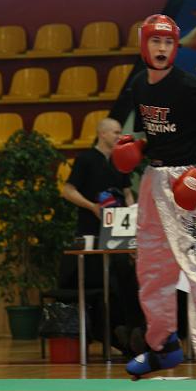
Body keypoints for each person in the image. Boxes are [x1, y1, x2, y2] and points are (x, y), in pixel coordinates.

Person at [112, 13, 196, 391]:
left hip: (187, 180)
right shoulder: (139, 86)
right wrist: (138, 148)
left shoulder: (189, 88)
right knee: (152, 270)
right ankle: (162, 345)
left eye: (168, 42)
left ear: (175, 47)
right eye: (155, 41)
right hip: (153, 182)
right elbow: (157, 136)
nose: (161, 48)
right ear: (144, 45)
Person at [61, 117, 144, 354]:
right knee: (105, 285)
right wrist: (92, 207)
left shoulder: (121, 160)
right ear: (102, 134)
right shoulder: (86, 159)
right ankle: (111, 333)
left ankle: (133, 331)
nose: (119, 136)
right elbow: (67, 190)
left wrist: (133, 218)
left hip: (119, 232)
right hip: (92, 232)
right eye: (115, 132)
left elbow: (127, 193)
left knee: (127, 279)